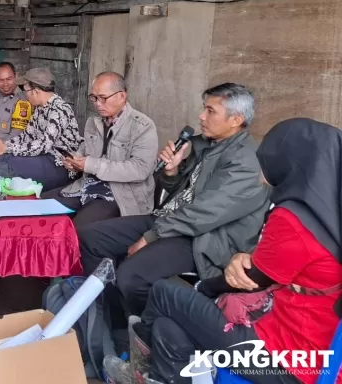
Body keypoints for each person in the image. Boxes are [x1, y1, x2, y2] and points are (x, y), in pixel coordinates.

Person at [113, 118, 342, 384]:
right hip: (309, 352)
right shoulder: (329, 216)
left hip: (281, 360)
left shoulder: (295, 220)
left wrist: (202, 288)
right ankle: (150, 374)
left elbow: (250, 279)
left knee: (165, 293)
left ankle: (134, 371)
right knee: (167, 328)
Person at [80, 83, 270, 317]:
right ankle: (108, 315)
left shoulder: (246, 163)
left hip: (205, 239)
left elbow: (204, 213)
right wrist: (172, 172)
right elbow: (183, 195)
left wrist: (150, 237)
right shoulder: (206, 145)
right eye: (204, 108)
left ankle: (143, 329)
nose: (201, 116)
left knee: (132, 276)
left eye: (210, 111)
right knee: (92, 238)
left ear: (236, 119)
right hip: (171, 221)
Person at [43, 72, 158, 230]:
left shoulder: (142, 126)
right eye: (94, 98)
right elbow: (85, 149)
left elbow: (140, 170)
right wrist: (75, 161)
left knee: (77, 230)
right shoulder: (93, 122)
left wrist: (91, 165)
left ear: (122, 96)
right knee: (42, 206)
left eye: (103, 98)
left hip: (120, 195)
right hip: (88, 185)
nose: (97, 103)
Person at [0, 67, 83, 192]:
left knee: (6, 166)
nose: (24, 95)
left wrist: (6, 148)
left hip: (59, 164)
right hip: (42, 158)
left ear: (35, 91)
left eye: (25, 91)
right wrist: (2, 146)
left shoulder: (59, 109)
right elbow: (26, 136)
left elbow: (44, 145)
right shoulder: (39, 108)